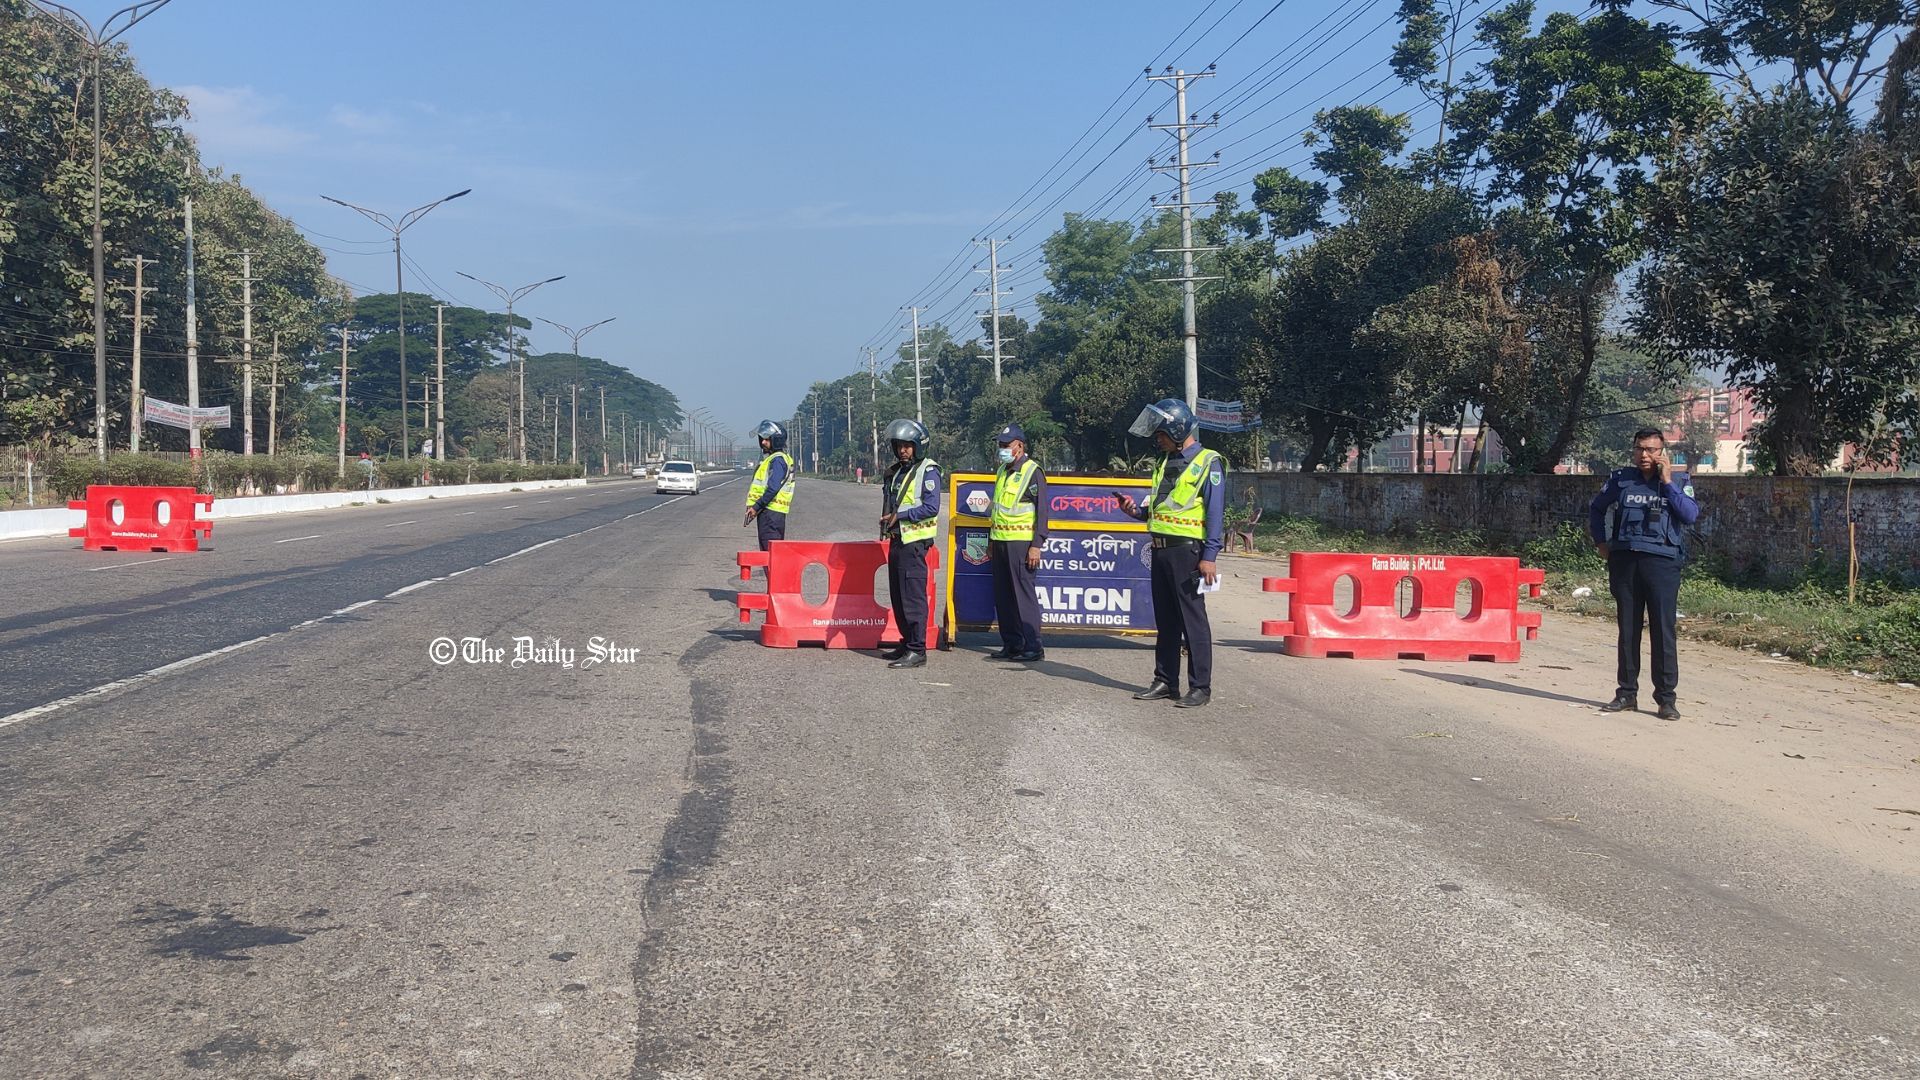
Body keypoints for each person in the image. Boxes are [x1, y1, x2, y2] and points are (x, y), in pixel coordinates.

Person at [1115, 398, 1225, 709]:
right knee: (1165, 621)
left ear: (1176, 429)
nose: (1157, 439)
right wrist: (1134, 511)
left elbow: (1215, 514)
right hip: (1160, 550)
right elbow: (1160, 509)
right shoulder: (1165, 462)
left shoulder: (1208, 462)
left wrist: (1210, 556)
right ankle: (1165, 680)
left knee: (1193, 621)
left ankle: (1200, 687)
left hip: (1188, 553)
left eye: (1161, 434)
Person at [1589, 428, 1701, 721]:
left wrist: (1667, 482)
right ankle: (1626, 693)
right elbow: (1596, 509)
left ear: (1663, 452)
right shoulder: (1621, 479)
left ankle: (1666, 700)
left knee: (1663, 631)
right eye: (1640, 449)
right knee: (1628, 629)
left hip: (1662, 563)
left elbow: (1690, 515)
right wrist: (1601, 542)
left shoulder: (1679, 480)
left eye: (1652, 450)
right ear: (1633, 450)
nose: (1645, 455)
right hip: (1625, 560)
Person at [879, 418, 941, 669]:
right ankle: (906, 642)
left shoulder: (928, 470)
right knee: (898, 597)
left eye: (908, 445)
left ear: (918, 446)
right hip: (897, 540)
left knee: (913, 599)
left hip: (914, 543)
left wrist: (901, 516)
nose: (903, 450)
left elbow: (931, 507)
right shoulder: (898, 472)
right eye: (899, 446)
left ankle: (918, 649)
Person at [984, 423, 1048, 663]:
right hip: (1000, 541)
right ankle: (1012, 644)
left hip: (1021, 543)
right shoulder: (1002, 471)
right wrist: (992, 539)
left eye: (1006, 445)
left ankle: (1033, 646)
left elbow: (1042, 512)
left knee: (1023, 596)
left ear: (1019, 446)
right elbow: (997, 509)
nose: (1002, 449)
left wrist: (1036, 545)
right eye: (1000, 445)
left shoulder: (1033, 471)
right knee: (1004, 596)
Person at [743, 420, 795, 551]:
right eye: (762, 439)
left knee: (770, 556)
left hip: (770, 514)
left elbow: (773, 487)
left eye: (767, 439)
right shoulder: (777, 459)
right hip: (771, 513)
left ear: (776, 440)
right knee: (771, 554)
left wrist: (756, 506)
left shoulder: (777, 460)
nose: (763, 443)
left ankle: (773, 573)